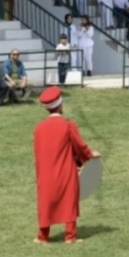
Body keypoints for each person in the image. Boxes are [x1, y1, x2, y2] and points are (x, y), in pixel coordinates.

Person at [33, 86, 99, 244]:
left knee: (46, 201)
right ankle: (70, 236)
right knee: (68, 199)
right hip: (65, 169)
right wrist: (89, 156)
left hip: (45, 171)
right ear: (60, 104)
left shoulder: (38, 128)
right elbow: (79, 146)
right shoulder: (68, 125)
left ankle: (43, 236)